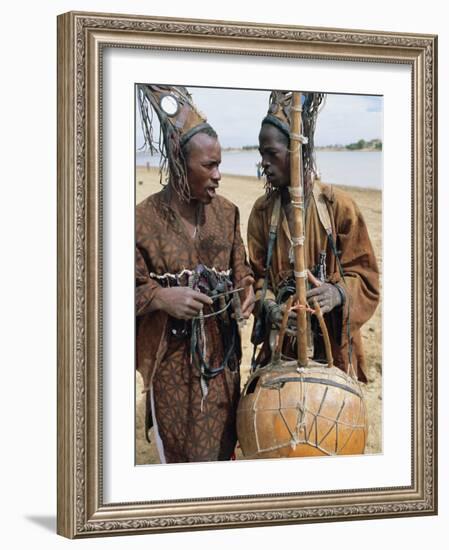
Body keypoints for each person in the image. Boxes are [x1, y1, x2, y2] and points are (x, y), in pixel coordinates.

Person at [136, 85, 254, 463]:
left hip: (222, 365)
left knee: (222, 451)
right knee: (179, 456)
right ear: (178, 163)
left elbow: (242, 271)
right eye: (209, 166)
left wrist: (245, 293)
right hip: (169, 365)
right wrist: (160, 297)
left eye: (219, 164)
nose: (218, 175)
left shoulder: (228, 213)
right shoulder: (141, 220)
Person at [247, 91, 380, 381]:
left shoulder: (338, 206)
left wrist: (338, 292)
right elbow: (256, 277)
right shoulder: (262, 213)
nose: (264, 164)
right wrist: (272, 306)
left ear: (297, 152)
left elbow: (366, 277)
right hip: (281, 351)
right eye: (261, 155)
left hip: (333, 351)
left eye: (272, 154)